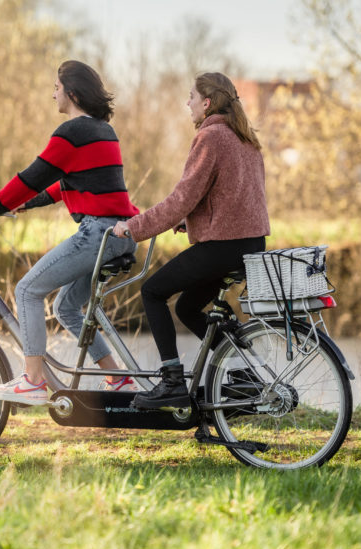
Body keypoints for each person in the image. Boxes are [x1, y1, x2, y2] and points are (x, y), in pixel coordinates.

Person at [0, 60, 139, 405]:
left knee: (28, 290)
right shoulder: (102, 130)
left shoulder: (72, 132)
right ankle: (117, 377)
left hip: (99, 234)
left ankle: (32, 381)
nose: (53, 94)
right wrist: (24, 205)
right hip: (121, 235)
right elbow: (66, 185)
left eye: (56, 88)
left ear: (72, 93)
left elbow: (31, 178)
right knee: (66, 308)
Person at [113, 72, 270, 408]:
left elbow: (181, 198)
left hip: (222, 248)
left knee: (152, 291)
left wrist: (134, 226)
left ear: (207, 102)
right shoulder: (246, 137)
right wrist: (194, 220)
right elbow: (235, 197)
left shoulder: (211, 137)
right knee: (186, 307)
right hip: (251, 244)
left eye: (191, 97)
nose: (187, 104)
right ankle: (245, 375)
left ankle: (171, 382)